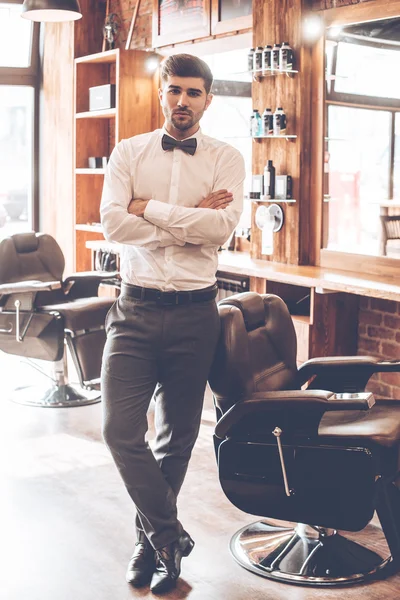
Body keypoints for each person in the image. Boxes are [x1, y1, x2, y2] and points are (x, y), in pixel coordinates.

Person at [100, 53, 245, 594]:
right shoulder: (128, 152)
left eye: (194, 92)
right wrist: (187, 222)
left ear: (208, 98)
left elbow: (221, 229)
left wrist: (150, 210)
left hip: (195, 314)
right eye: (174, 91)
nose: (182, 101)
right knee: (119, 430)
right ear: (162, 94)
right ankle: (167, 533)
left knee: (176, 438)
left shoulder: (227, 158)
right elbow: (113, 224)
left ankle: (148, 547)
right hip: (134, 310)